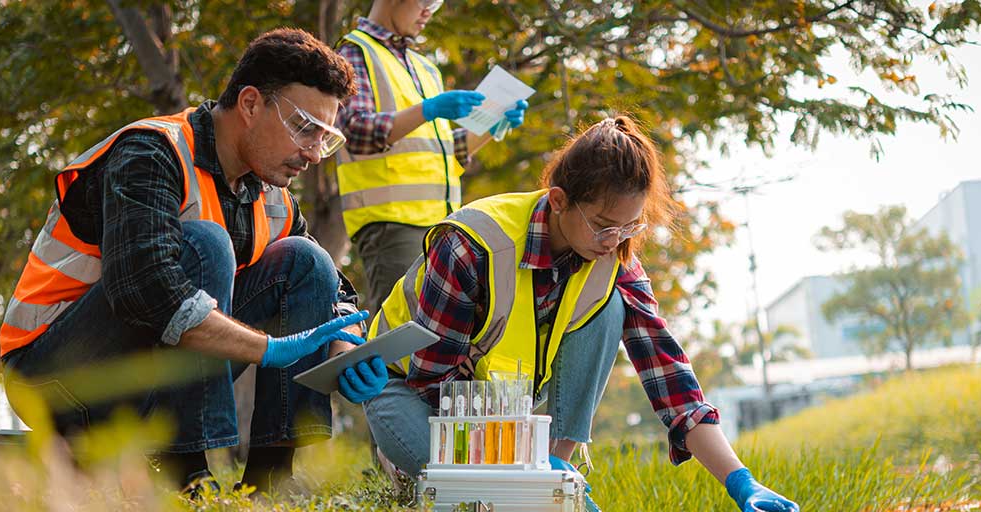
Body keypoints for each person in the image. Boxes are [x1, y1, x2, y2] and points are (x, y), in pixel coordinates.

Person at [339, 117, 800, 511]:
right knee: (475, 495)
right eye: (604, 225)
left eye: (630, 226)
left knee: (612, 307)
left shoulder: (615, 258)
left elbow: (668, 371)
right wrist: (532, 465)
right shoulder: (471, 243)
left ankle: (558, 465)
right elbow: (434, 385)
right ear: (558, 200)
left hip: (504, 414)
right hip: (411, 394)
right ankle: (409, 467)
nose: (615, 239)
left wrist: (740, 481)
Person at [0, 28, 378, 494]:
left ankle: (272, 480)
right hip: (55, 378)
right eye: (304, 129)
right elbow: (146, 292)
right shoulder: (151, 153)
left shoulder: (271, 196)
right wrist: (268, 348)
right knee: (206, 244)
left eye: (326, 138)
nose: (314, 154)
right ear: (252, 103)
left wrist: (347, 349)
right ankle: (186, 474)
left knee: (308, 260)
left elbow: (332, 290)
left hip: (145, 378)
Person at [330, 0, 530, 312]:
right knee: (398, 332)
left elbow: (447, 153)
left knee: (440, 331)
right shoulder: (355, 52)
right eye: (426, 1)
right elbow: (355, 131)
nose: (429, 12)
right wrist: (428, 109)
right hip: (392, 225)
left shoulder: (425, 68)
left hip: (442, 224)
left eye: (435, 4)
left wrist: (494, 122)